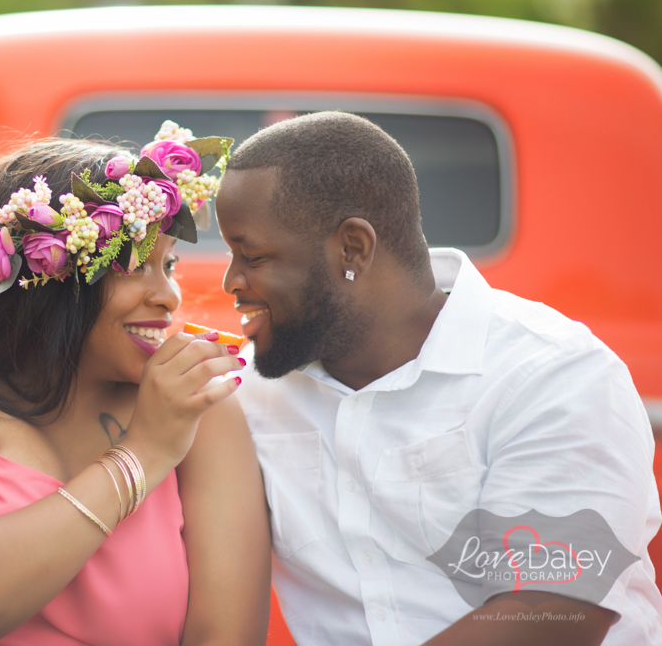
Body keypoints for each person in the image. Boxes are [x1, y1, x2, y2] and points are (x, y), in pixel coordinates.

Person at [214, 111, 662, 645]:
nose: (230, 281)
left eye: (253, 256)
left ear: (352, 248)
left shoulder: (552, 373)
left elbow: (554, 610)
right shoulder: (252, 396)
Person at [0, 124, 271, 645]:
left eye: (169, 263)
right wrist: (146, 452)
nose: (169, 296)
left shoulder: (199, 407)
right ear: (50, 274)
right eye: (134, 265)